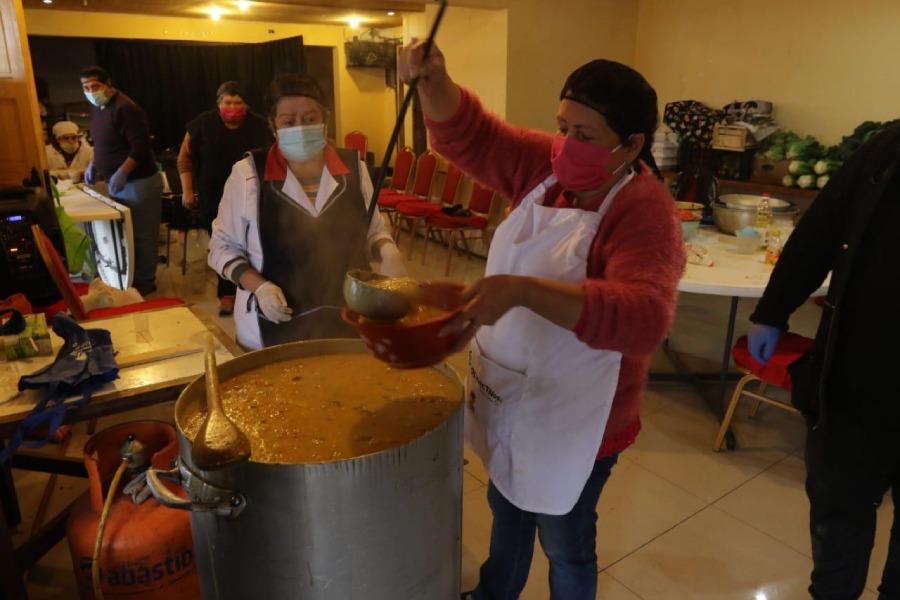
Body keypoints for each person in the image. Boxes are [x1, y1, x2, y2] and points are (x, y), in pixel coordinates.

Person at [398, 41, 685, 600]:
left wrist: (523, 291)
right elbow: (474, 135)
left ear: (631, 146)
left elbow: (646, 319)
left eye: (585, 136)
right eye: (562, 128)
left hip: (582, 417)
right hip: (511, 391)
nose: (566, 146)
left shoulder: (644, 211)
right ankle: (494, 593)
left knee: (565, 537)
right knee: (506, 509)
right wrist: (433, 83)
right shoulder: (544, 170)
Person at [747, 123, 900, 600]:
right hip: (856, 380)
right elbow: (823, 228)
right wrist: (773, 309)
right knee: (838, 520)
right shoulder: (888, 147)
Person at [207, 73, 406, 351]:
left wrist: (387, 251)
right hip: (271, 326)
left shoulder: (353, 168)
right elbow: (221, 248)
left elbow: (372, 232)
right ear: (273, 127)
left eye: (310, 119)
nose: (300, 128)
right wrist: (259, 287)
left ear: (325, 120)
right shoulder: (249, 175)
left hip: (348, 321)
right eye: (289, 122)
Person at [177, 81, 273, 316]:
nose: (232, 106)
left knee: (253, 242)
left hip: (252, 194)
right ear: (218, 103)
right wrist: (187, 191)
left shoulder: (259, 125)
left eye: (237, 102)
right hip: (213, 196)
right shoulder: (202, 124)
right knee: (224, 244)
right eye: (227, 102)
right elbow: (184, 159)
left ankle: (256, 287)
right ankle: (227, 294)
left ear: (246, 105)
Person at [79, 65, 163, 297]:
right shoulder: (97, 108)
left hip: (139, 182)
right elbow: (100, 141)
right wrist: (94, 164)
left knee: (143, 234)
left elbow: (141, 147)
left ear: (108, 84)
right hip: (118, 183)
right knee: (127, 233)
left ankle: (146, 280)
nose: (90, 91)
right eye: (86, 87)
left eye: (95, 86)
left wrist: (122, 172)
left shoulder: (126, 108)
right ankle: (132, 277)